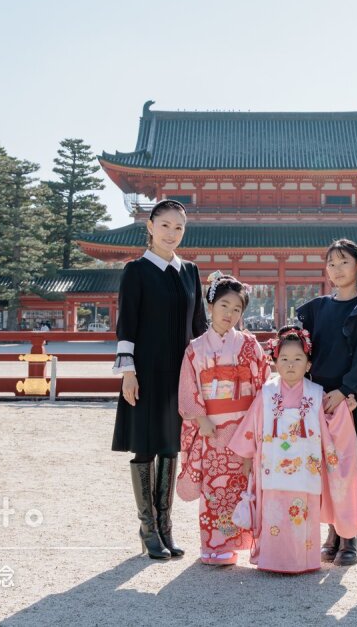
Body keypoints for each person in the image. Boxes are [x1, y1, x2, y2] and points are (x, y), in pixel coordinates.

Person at [112, 199, 208, 560]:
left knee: (171, 446)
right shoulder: (136, 271)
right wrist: (128, 372)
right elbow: (127, 324)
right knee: (146, 446)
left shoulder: (190, 272)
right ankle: (148, 528)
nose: (172, 233)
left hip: (182, 375)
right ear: (150, 227)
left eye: (178, 227)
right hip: (146, 372)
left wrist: (206, 372)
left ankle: (166, 526)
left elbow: (199, 327)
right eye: (165, 225)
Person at [228, 326, 357, 574]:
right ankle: (272, 560)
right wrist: (247, 457)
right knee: (274, 515)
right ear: (275, 362)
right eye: (284, 359)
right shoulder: (266, 394)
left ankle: (303, 561)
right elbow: (252, 427)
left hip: (305, 472)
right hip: (272, 469)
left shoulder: (316, 394)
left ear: (308, 365)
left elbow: (331, 424)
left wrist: (344, 409)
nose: (290, 365)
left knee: (301, 516)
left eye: (298, 359)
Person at [176, 274, 270, 566]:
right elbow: (188, 387)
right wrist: (200, 417)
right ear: (210, 305)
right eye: (224, 306)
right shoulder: (195, 348)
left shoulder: (250, 344)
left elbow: (263, 385)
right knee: (215, 486)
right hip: (212, 428)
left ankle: (248, 543)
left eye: (237, 309)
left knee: (246, 485)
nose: (230, 314)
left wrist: (255, 425)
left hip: (244, 426)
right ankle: (215, 544)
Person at [296, 238, 357, 566]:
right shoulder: (317, 308)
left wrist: (345, 391)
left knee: (346, 467)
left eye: (344, 262)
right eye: (331, 263)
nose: (336, 269)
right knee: (321, 467)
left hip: (349, 399)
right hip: (317, 398)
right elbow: (303, 352)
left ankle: (349, 535)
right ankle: (332, 531)